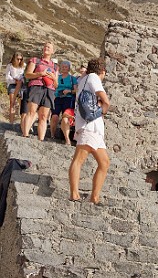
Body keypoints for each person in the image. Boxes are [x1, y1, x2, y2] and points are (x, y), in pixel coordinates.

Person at [68, 58, 110, 204]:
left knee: (104, 163)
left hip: (93, 129)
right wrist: (103, 110)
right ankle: (74, 194)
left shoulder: (83, 80)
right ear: (102, 71)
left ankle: (94, 197)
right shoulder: (93, 78)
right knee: (78, 160)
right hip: (89, 127)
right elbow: (106, 100)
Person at [22, 41, 58, 141]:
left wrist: (54, 78)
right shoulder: (35, 60)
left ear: (53, 51)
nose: (46, 48)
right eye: (45, 46)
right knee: (32, 111)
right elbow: (27, 75)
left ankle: (41, 139)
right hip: (36, 87)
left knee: (44, 116)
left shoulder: (55, 66)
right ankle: (25, 135)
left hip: (49, 90)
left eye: (49, 47)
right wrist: (40, 74)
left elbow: (56, 84)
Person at [51, 60, 77, 143]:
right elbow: (53, 86)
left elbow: (76, 90)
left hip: (68, 99)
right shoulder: (57, 77)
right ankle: (52, 135)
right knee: (54, 116)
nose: (64, 68)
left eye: (66, 67)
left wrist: (69, 91)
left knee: (66, 117)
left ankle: (66, 138)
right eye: (63, 67)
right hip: (57, 98)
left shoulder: (72, 79)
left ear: (69, 68)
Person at [5, 52, 25, 125]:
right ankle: (11, 122)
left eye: (20, 59)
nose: (19, 61)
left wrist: (20, 81)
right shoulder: (10, 66)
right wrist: (14, 80)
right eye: (18, 59)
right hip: (12, 85)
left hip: (21, 85)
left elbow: (25, 76)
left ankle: (22, 122)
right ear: (14, 58)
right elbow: (7, 77)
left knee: (21, 103)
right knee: (12, 103)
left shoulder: (23, 66)